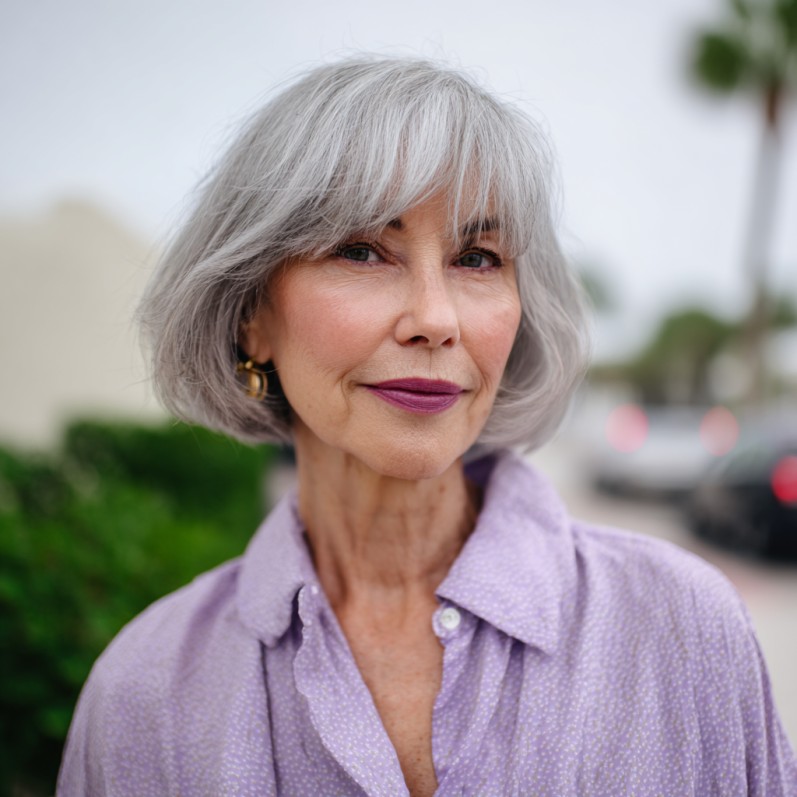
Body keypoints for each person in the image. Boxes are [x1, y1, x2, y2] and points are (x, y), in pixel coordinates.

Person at [58, 57, 797, 796]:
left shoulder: (681, 629)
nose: (436, 319)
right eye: (360, 250)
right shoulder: (143, 692)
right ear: (252, 316)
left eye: (476, 258)